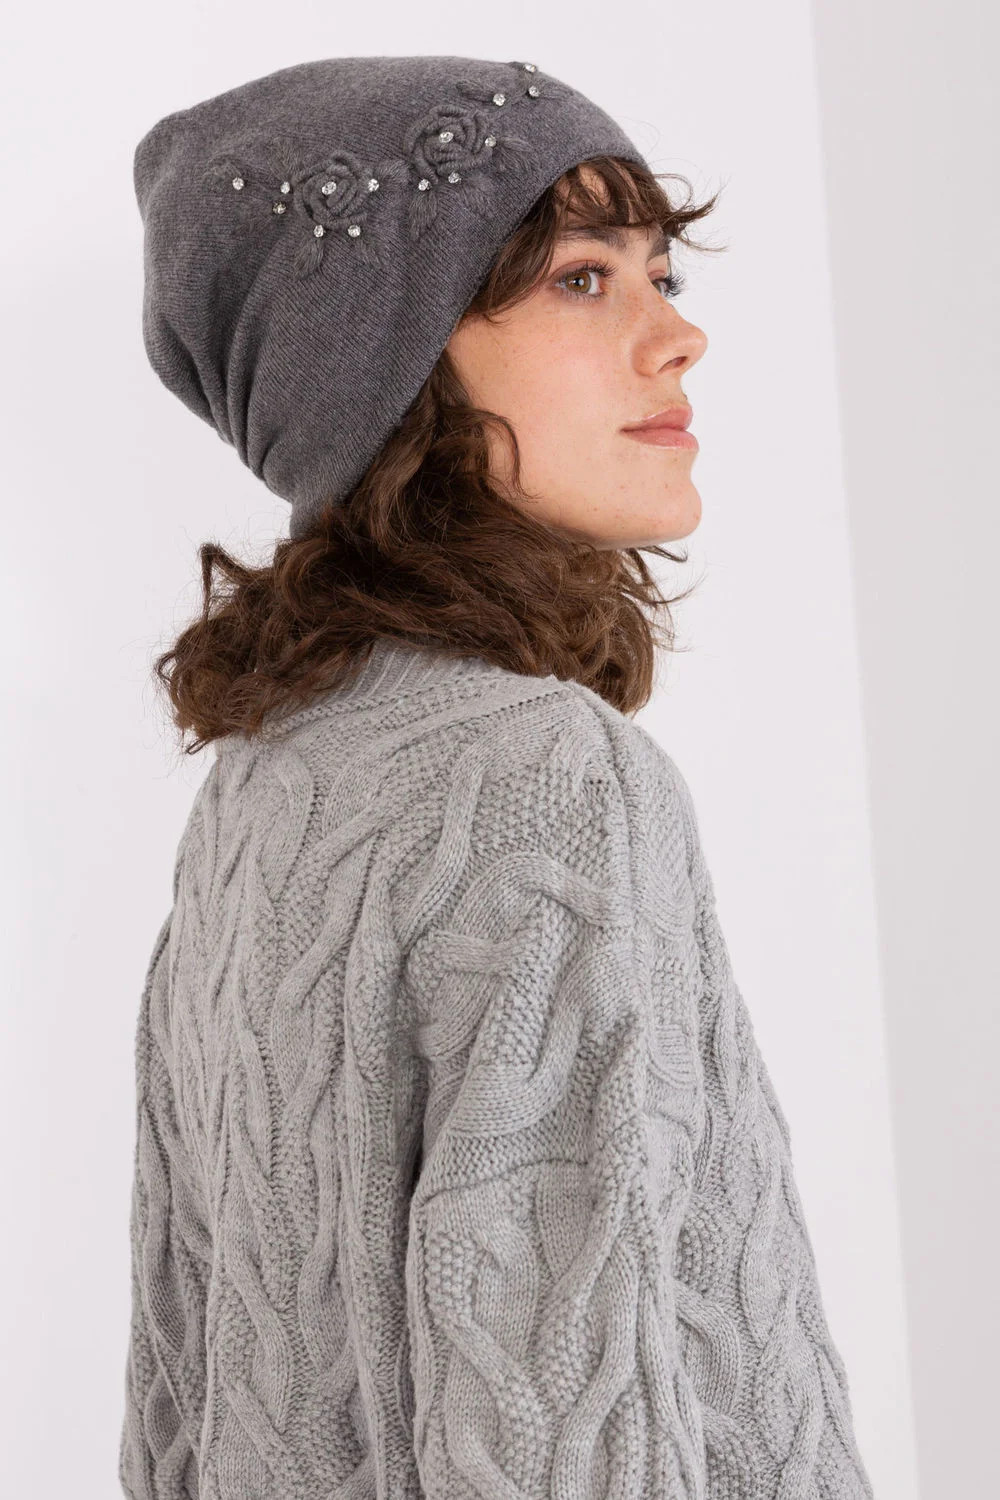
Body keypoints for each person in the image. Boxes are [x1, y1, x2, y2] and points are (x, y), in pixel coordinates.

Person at [119, 55, 875, 1499]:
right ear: (389, 367)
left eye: (661, 273)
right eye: (582, 279)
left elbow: (180, 1404)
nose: (678, 336)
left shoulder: (259, 792)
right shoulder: (548, 782)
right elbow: (558, 1443)